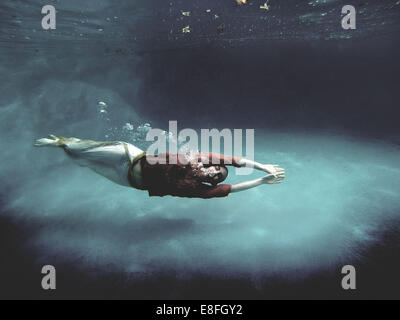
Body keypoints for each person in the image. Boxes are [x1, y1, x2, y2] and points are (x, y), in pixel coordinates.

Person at [34, 135, 285, 199]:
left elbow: (230, 189)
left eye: (217, 176)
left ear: (212, 182)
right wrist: (262, 166)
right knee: (84, 150)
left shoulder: (199, 189)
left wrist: (261, 182)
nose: (215, 171)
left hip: (127, 179)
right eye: (217, 167)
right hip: (132, 155)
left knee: (84, 162)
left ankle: (64, 147)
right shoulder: (199, 157)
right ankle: (59, 141)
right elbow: (233, 160)